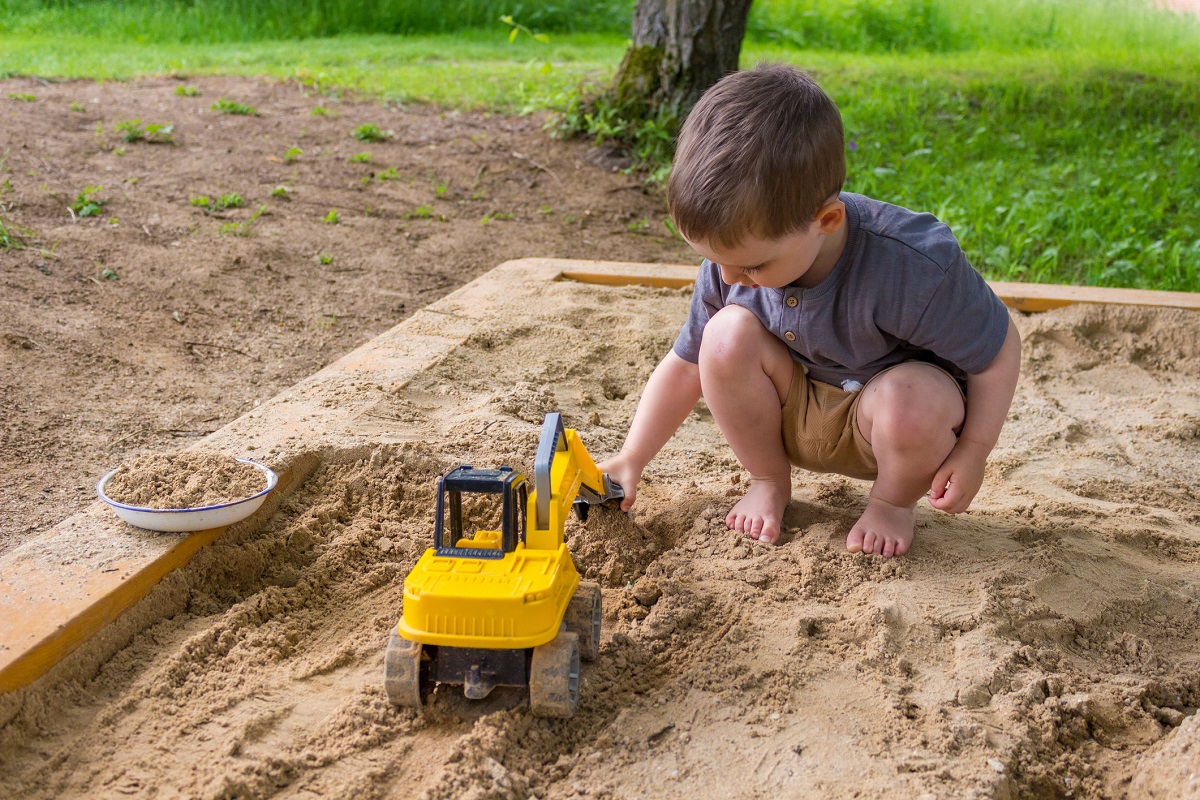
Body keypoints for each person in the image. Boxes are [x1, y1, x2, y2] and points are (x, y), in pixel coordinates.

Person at [598, 64, 1021, 558]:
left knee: (915, 401)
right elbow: (686, 364)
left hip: (888, 430)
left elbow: (996, 350)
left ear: (826, 220)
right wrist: (633, 457)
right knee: (723, 335)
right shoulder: (734, 262)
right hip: (789, 407)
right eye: (715, 260)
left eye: (752, 265)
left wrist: (974, 451)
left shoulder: (911, 264)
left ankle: (890, 504)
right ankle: (769, 481)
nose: (730, 278)